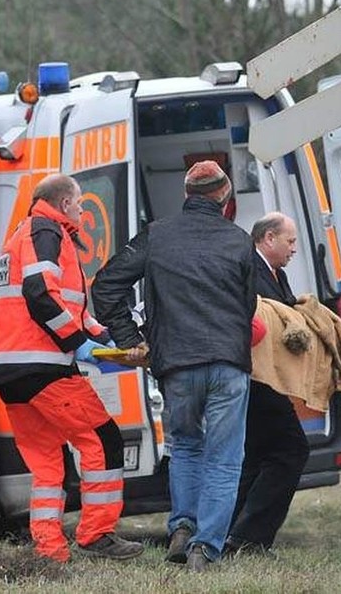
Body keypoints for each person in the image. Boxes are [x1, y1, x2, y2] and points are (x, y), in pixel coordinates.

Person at [92, 160, 256, 572]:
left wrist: (131, 339)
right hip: (227, 364)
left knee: (184, 446)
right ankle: (206, 548)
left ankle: (182, 526)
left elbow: (106, 285)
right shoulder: (239, 241)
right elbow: (249, 305)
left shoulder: (157, 236)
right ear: (224, 197)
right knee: (223, 457)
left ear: (187, 196)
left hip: (177, 365)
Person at [0, 175, 143, 563]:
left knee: (46, 462)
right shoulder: (47, 230)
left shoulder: (24, 235)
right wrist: (78, 344)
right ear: (61, 202)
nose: (82, 209)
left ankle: (50, 550)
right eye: (78, 202)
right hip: (43, 366)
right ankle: (96, 534)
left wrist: (102, 337)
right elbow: (39, 295)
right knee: (103, 439)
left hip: (12, 370)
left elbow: (65, 305)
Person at [225, 212, 309, 557]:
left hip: (269, 378)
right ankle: (251, 537)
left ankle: (229, 534)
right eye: (290, 241)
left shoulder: (279, 274)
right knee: (292, 451)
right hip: (258, 378)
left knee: (257, 458)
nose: (294, 249)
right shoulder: (251, 271)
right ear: (268, 238)